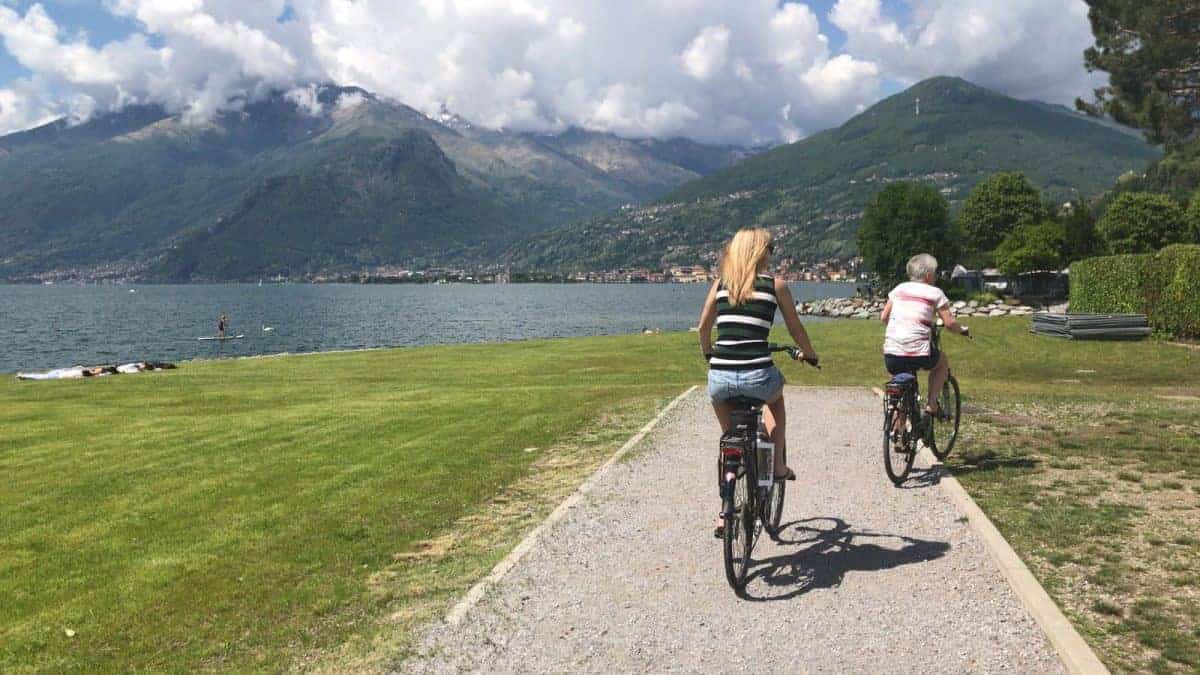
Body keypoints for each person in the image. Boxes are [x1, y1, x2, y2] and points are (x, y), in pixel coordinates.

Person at [698, 228, 818, 535]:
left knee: (729, 441)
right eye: (770, 248)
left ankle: (726, 511)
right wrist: (809, 353)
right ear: (761, 252)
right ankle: (776, 464)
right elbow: (795, 328)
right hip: (758, 374)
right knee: (775, 404)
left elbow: (702, 328)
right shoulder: (775, 285)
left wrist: (710, 355)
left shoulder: (720, 285)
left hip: (720, 378)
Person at [880, 254, 969, 432]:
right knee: (941, 363)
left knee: (902, 383)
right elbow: (950, 323)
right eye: (935, 272)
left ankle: (899, 432)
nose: (936, 276)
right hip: (918, 351)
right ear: (928, 275)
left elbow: (884, 317)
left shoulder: (899, 289)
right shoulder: (935, 293)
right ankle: (931, 405)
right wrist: (963, 330)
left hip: (891, 352)